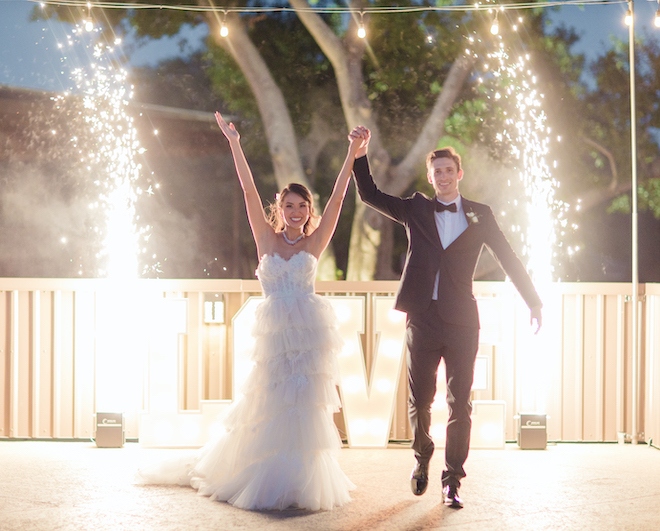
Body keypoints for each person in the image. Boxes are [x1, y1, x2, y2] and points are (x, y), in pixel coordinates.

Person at [138, 113, 368, 511]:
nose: (295, 211)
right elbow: (247, 190)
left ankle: (302, 475)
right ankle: (263, 472)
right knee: (270, 402)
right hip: (274, 334)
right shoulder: (265, 237)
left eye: (302, 205)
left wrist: (352, 152)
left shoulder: (314, 242)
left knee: (304, 405)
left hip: (308, 335)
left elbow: (338, 199)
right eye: (288, 204)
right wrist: (234, 141)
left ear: (308, 210)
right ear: (278, 207)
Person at [349, 127, 542, 509]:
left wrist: (533, 301)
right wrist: (360, 152)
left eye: (448, 170)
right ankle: (422, 459)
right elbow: (369, 193)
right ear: (430, 176)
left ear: (459, 173)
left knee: (461, 404)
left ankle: (452, 479)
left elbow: (508, 258)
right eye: (436, 171)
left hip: (462, 321)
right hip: (422, 318)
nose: (443, 176)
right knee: (421, 400)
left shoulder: (480, 214)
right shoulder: (416, 208)